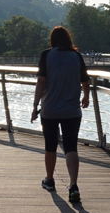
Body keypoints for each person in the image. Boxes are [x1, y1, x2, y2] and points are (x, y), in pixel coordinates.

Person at [30, 26, 90, 203]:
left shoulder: (46, 55)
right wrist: (86, 97)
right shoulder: (76, 56)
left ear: (52, 40)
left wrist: (35, 106)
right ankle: (73, 185)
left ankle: (49, 180)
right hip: (72, 110)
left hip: (49, 110)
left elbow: (41, 81)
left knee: (50, 146)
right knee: (71, 147)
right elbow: (85, 80)